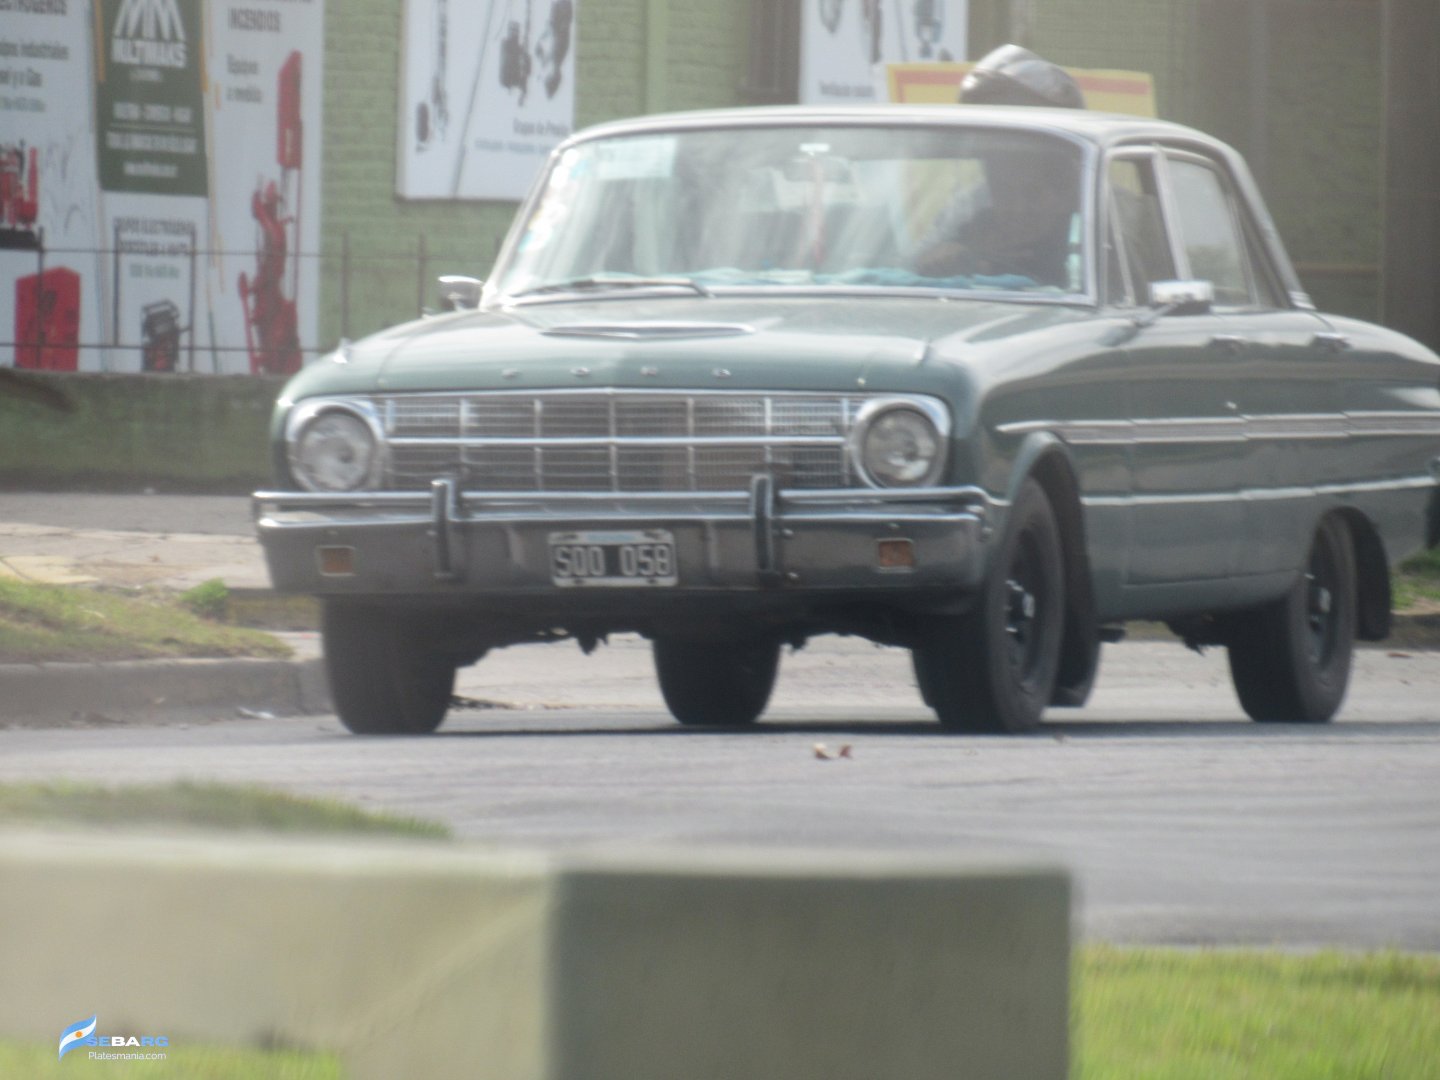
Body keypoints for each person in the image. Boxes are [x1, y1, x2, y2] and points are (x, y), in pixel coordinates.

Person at [910, 46, 1084, 284]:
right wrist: (949, 257)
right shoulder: (972, 208)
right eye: (1002, 189)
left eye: (1031, 194)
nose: (1015, 206)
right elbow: (914, 266)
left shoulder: (1092, 217)